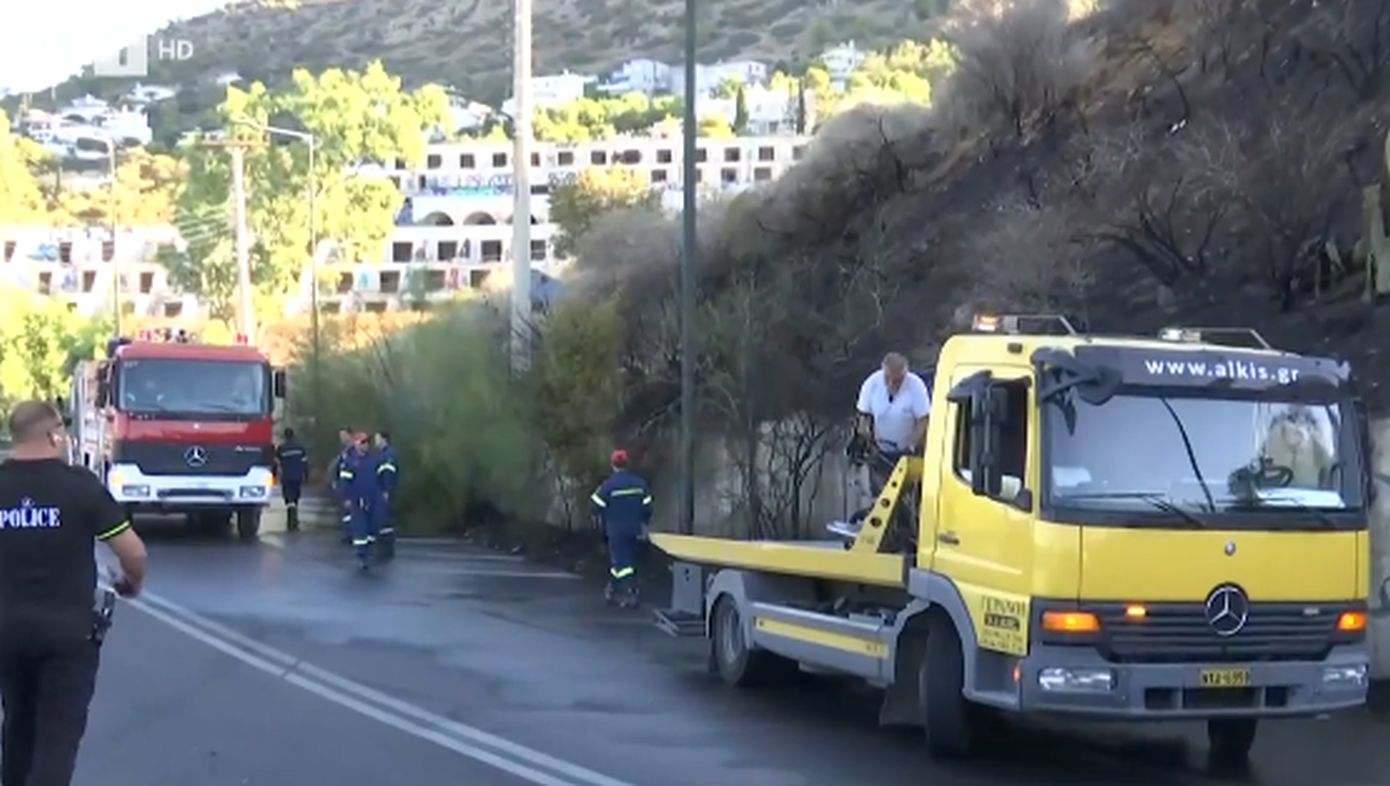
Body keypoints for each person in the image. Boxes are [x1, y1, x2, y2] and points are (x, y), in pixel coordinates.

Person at [0, 401, 148, 786]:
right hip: (68, 635)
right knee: (56, 740)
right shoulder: (79, 486)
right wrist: (130, 582)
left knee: (17, 726)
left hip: (7, 632)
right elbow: (133, 551)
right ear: (54, 436)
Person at [855, 352, 932, 494]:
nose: (891, 384)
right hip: (880, 453)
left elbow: (923, 420)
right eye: (887, 378)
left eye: (897, 380)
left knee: (905, 494)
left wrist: (912, 444)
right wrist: (865, 433)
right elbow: (864, 415)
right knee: (881, 495)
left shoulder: (915, 386)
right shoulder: (872, 383)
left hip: (907, 453)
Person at [589, 450, 652, 608]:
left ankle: (631, 591)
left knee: (621, 563)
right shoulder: (639, 483)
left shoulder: (608, 485)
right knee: (625, 560)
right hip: (635, 529)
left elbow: (594, 506)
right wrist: (643, 522)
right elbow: (648, 508)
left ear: (613, 465)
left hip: (616, 530)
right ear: (627, 464)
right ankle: (613, 589)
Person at [339, 433, 381, 571]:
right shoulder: (350, 461)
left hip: (373, 499)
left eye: (367, 443)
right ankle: (362, 556)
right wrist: (347, 498)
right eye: (362, 442)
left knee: (372, 528)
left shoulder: (374, 460)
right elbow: (345, 482)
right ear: (356, 444)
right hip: (357, 500)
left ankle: (369, 552)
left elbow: (379, 479)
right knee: (360, 529)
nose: (365, 445)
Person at [275, 428, 308, 533]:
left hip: (286, 476)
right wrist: (306, 476)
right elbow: (305, 463)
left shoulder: (281, 448)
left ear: (285, 436)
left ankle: (290, 520)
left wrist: (274, 475)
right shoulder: (300, 448)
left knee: (289, 498)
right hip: (298, 476)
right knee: (295, 496)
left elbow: (276, 463)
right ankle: (294, 518)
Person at [372, 431, 397, 562]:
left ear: (384, 439)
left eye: (377, 439)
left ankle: (386, 550)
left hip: (384, 491)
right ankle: (384, 549)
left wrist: (386, 490)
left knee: (384, 521)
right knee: (382, 521)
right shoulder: (382, 454)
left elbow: (388, 473)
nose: (375, 441)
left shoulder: (388, 455)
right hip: (380, 491)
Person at [331, 427, 355, 545]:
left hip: (350, 485)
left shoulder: (353, 450)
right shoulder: (345, 451)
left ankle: (351, 534)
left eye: (343, 435)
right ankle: (348, 533)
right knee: (346, 511)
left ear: (350, 435)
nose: (341, 438)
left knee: (350, 510)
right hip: (343, 483)